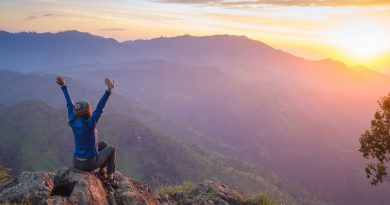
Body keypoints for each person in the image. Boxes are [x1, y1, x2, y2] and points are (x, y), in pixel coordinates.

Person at [56, 76, 118, 187]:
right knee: (111, 148)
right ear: (88, 111)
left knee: (103, 144)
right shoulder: (90, 124)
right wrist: (108, 91)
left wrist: (63, 86)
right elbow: (99, 107)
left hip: (76, 161)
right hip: (88, 163)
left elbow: (69, 104)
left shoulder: (73, 120)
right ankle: (110, 179)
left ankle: (101, 172)